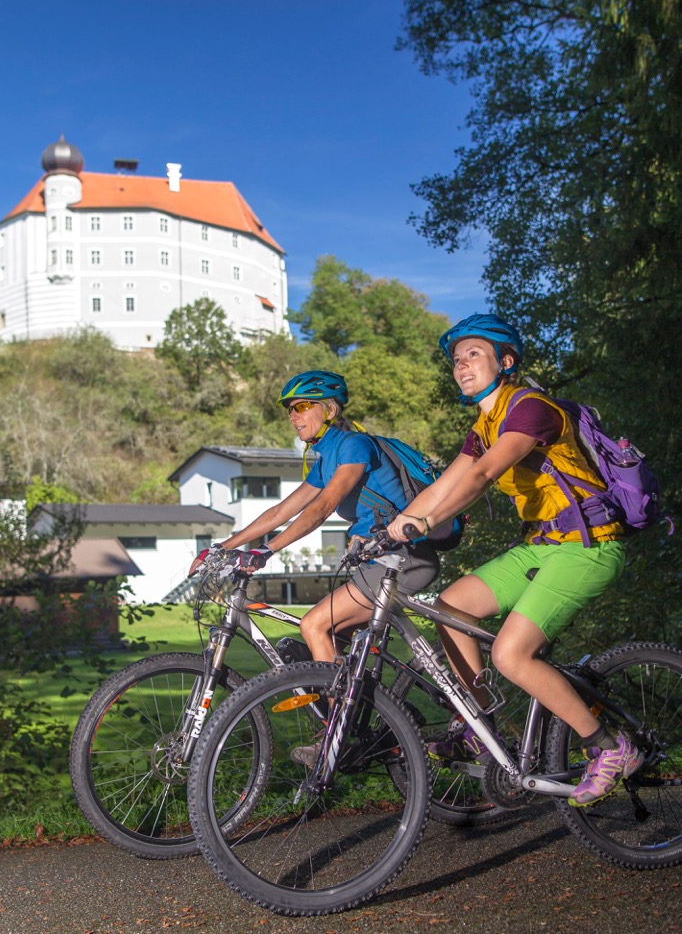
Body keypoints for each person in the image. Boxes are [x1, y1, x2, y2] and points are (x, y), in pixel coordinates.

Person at [386, 313, 640, 808]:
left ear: (506, 362)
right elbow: (446, 483)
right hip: (542, 547)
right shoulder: (485, 423)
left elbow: (480, 476)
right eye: (457, 360)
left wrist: (423, 523)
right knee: (450, 606)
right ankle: (479, 726)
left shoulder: (530, 409)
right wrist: (392, 526)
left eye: (473, 355)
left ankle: (609, 747)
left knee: (509, 654)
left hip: (589, 547)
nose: (461, 365)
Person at [189, 369, 441, 666]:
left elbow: (322, 508)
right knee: (326, 643)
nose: (293, 416)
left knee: (314, 625)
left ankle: (333, 713)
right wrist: (224, 547)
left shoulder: (353, 445)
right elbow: (280, 512)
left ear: (330, 410)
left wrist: (267, 549)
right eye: (290, 410)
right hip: (377, 562)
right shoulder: (324, 462)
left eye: (302, 406)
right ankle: (368, 708)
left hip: (404, 557)